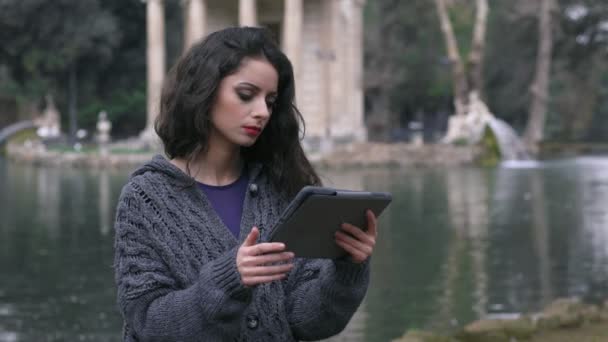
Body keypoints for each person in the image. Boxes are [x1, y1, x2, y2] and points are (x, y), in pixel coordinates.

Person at [113, 26, 378, 341]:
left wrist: (346, 269)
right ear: (205, 90)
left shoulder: (280, 188)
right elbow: (149, 324)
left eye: (270, 100)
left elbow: (304, 322)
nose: (262, 112)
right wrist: (229, 280)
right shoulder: (146, 197)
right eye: (245, 95)